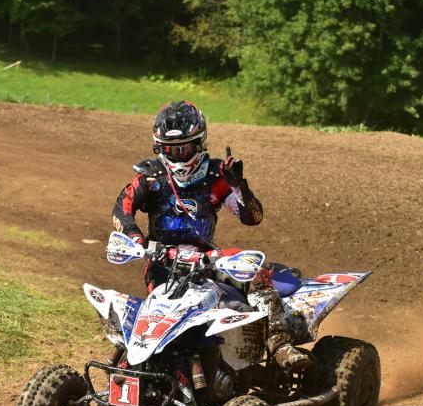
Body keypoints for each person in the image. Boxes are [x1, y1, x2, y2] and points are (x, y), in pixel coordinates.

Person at [112, 100, 311, 372]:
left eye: (184, 148)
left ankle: (279, 344)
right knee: (154, 316)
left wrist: (238, 185)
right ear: (159, 147)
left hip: (207, 259)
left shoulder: (216, 176)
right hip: (162, 261)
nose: (179, 156)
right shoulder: (151, 177)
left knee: (257, 272)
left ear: (199, 142)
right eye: (171, 149)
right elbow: (122, 209)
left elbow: (252, 217)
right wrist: (136, 240)